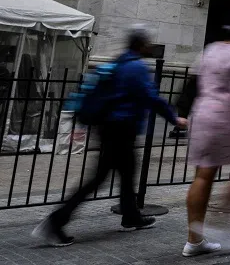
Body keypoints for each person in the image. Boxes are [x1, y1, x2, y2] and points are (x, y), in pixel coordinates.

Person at [32, 27, 187, 246]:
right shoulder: (136, 67)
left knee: (126, 173)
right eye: (148, 43)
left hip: (111, 127)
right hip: (121, 129)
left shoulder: (120, 62)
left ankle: (131, 216)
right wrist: (174, 118)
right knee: (99, 179)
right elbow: (150, 97)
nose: (151, 46)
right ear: (141, 45)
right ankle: (55, 222)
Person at [183, 12, 230, 257]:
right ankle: (219, 218)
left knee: (204, 173)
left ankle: (194, 241)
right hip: (227, 117)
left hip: (202, 113)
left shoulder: (211, 49)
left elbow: (194, 81)